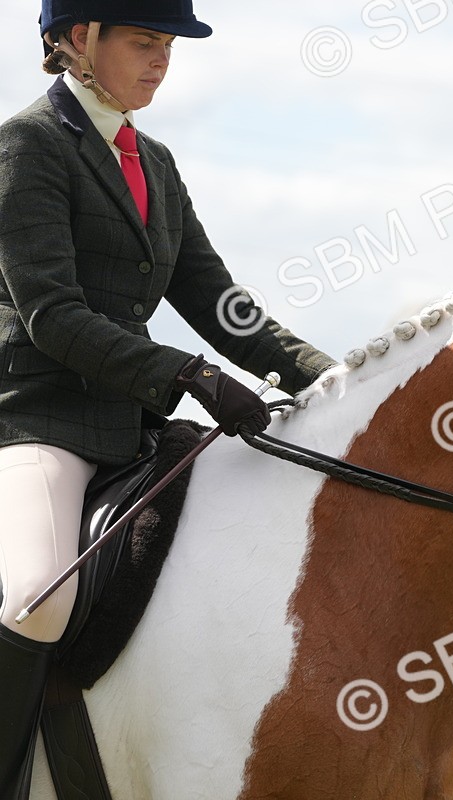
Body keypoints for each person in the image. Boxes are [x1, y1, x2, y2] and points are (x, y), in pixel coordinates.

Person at [0, 2, 337, 795]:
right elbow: (53, 316)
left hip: (136, 426)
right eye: (144, 42)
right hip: (43, 421)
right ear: (78, 39)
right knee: (36, 600)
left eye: (167, 46)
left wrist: (338, 379)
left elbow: (222, 306)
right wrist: (187, 375)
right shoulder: (27, 147)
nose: (162, 61)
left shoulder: (153, 162)